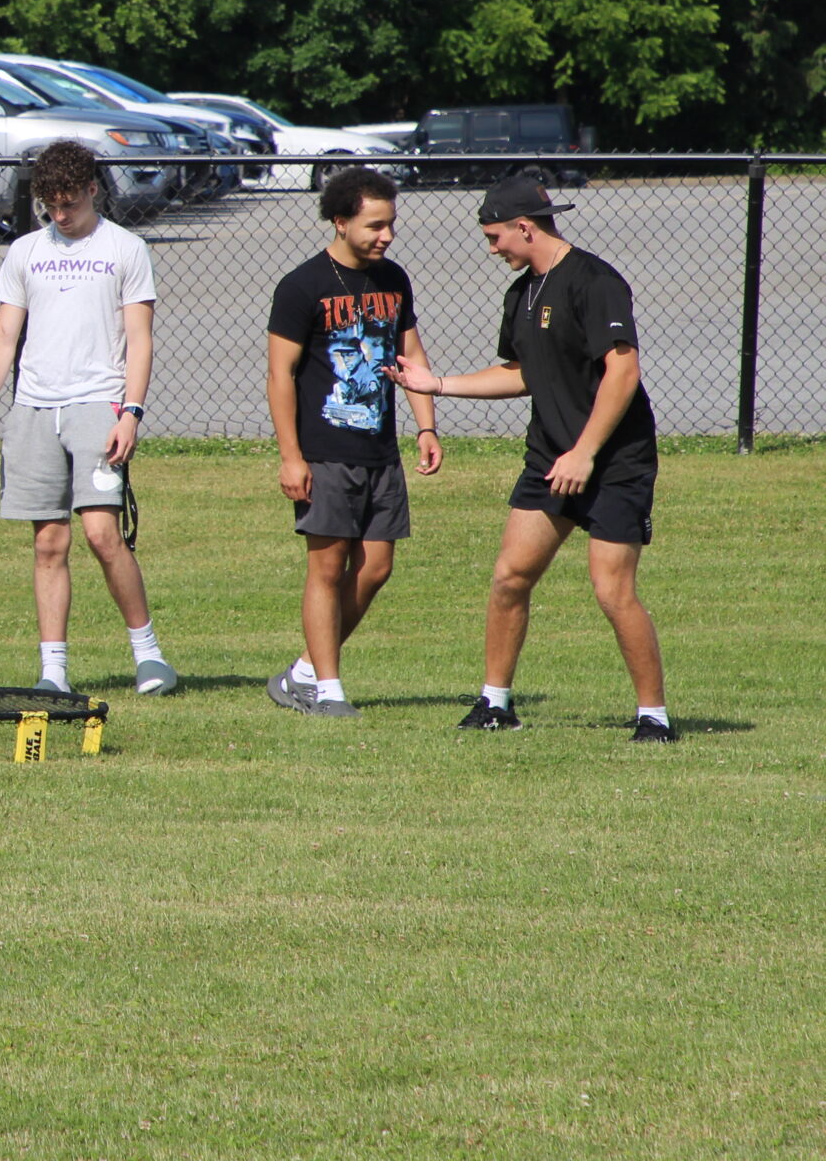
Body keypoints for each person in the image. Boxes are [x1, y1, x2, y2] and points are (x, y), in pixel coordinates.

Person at [383, 171, 674, 741]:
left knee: (612, 591)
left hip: (613, 461)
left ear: (524, 227)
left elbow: (624, 370)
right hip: (550, 457)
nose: (492, 249)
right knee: (510, 577)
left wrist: (586, 453)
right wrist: (436, 383)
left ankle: (654, 717)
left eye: (495, 238)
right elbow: (518, 373)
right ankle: (495, 703)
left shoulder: (594, 281)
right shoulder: (524, 291)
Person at [0, 140, 178, 696]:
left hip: (99, 405)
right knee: (48, 544)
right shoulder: (25, 252)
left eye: (69, 205)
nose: (60, 216)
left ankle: (149, 656)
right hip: (34, 409)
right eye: (50, 207)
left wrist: (130, 412)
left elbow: (140, 338)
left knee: (103, 535)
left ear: (93, 190)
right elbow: (4, 335)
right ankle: (53, 673)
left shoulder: (127, 249)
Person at [263, 168, 443, 717]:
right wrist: (291, 456)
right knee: (326, 566)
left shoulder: (394, 280)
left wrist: (426, 424)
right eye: (375, 225)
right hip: (324, 450)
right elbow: (279, 377)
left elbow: (410, 358)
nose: (386, 235)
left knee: (376, 567)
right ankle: (328, 689)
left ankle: (301, 671)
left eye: (390, 224)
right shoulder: (301, 287)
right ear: (340, 222)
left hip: (379, 451)